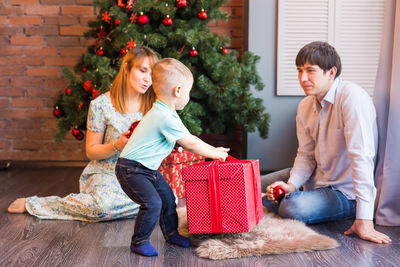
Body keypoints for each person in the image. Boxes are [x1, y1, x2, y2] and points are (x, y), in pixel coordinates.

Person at [7, 46, 160, 222]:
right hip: (108, 173)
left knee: (168, 197)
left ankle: (135, 205)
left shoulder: (153, 106)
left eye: (152, 74)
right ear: (126, 69)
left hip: (139, 175)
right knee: (101, 207)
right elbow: (91, 151)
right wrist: (118, 144)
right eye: (143, 71)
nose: (148, 79)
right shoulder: (101, 105)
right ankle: (38, 205)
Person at [261, 41, 392, 244]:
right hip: (315, 178)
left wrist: (364, 218)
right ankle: (271, 199)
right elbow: (305, 155)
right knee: (251, 182)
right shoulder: (305, 106)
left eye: (310, 71)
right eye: (299, 70)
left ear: (331, 72)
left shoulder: (352, 98)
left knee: (292, 207)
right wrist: (291, 185)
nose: (302, 78)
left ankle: (269, 203)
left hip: (346, 192)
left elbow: (362, 158)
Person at [115, 58, 229, 257]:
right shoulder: (164, 116)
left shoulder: (167, 113)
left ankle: (171, 233)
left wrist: (213, 148)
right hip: (131, 169)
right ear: (178, 91)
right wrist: (215, 154)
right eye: (188, 92)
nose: (188, 97)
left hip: (145, 169)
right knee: (152, 203)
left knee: (168, 198)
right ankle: (139, 241)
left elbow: (191, 139)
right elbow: (190, 143)